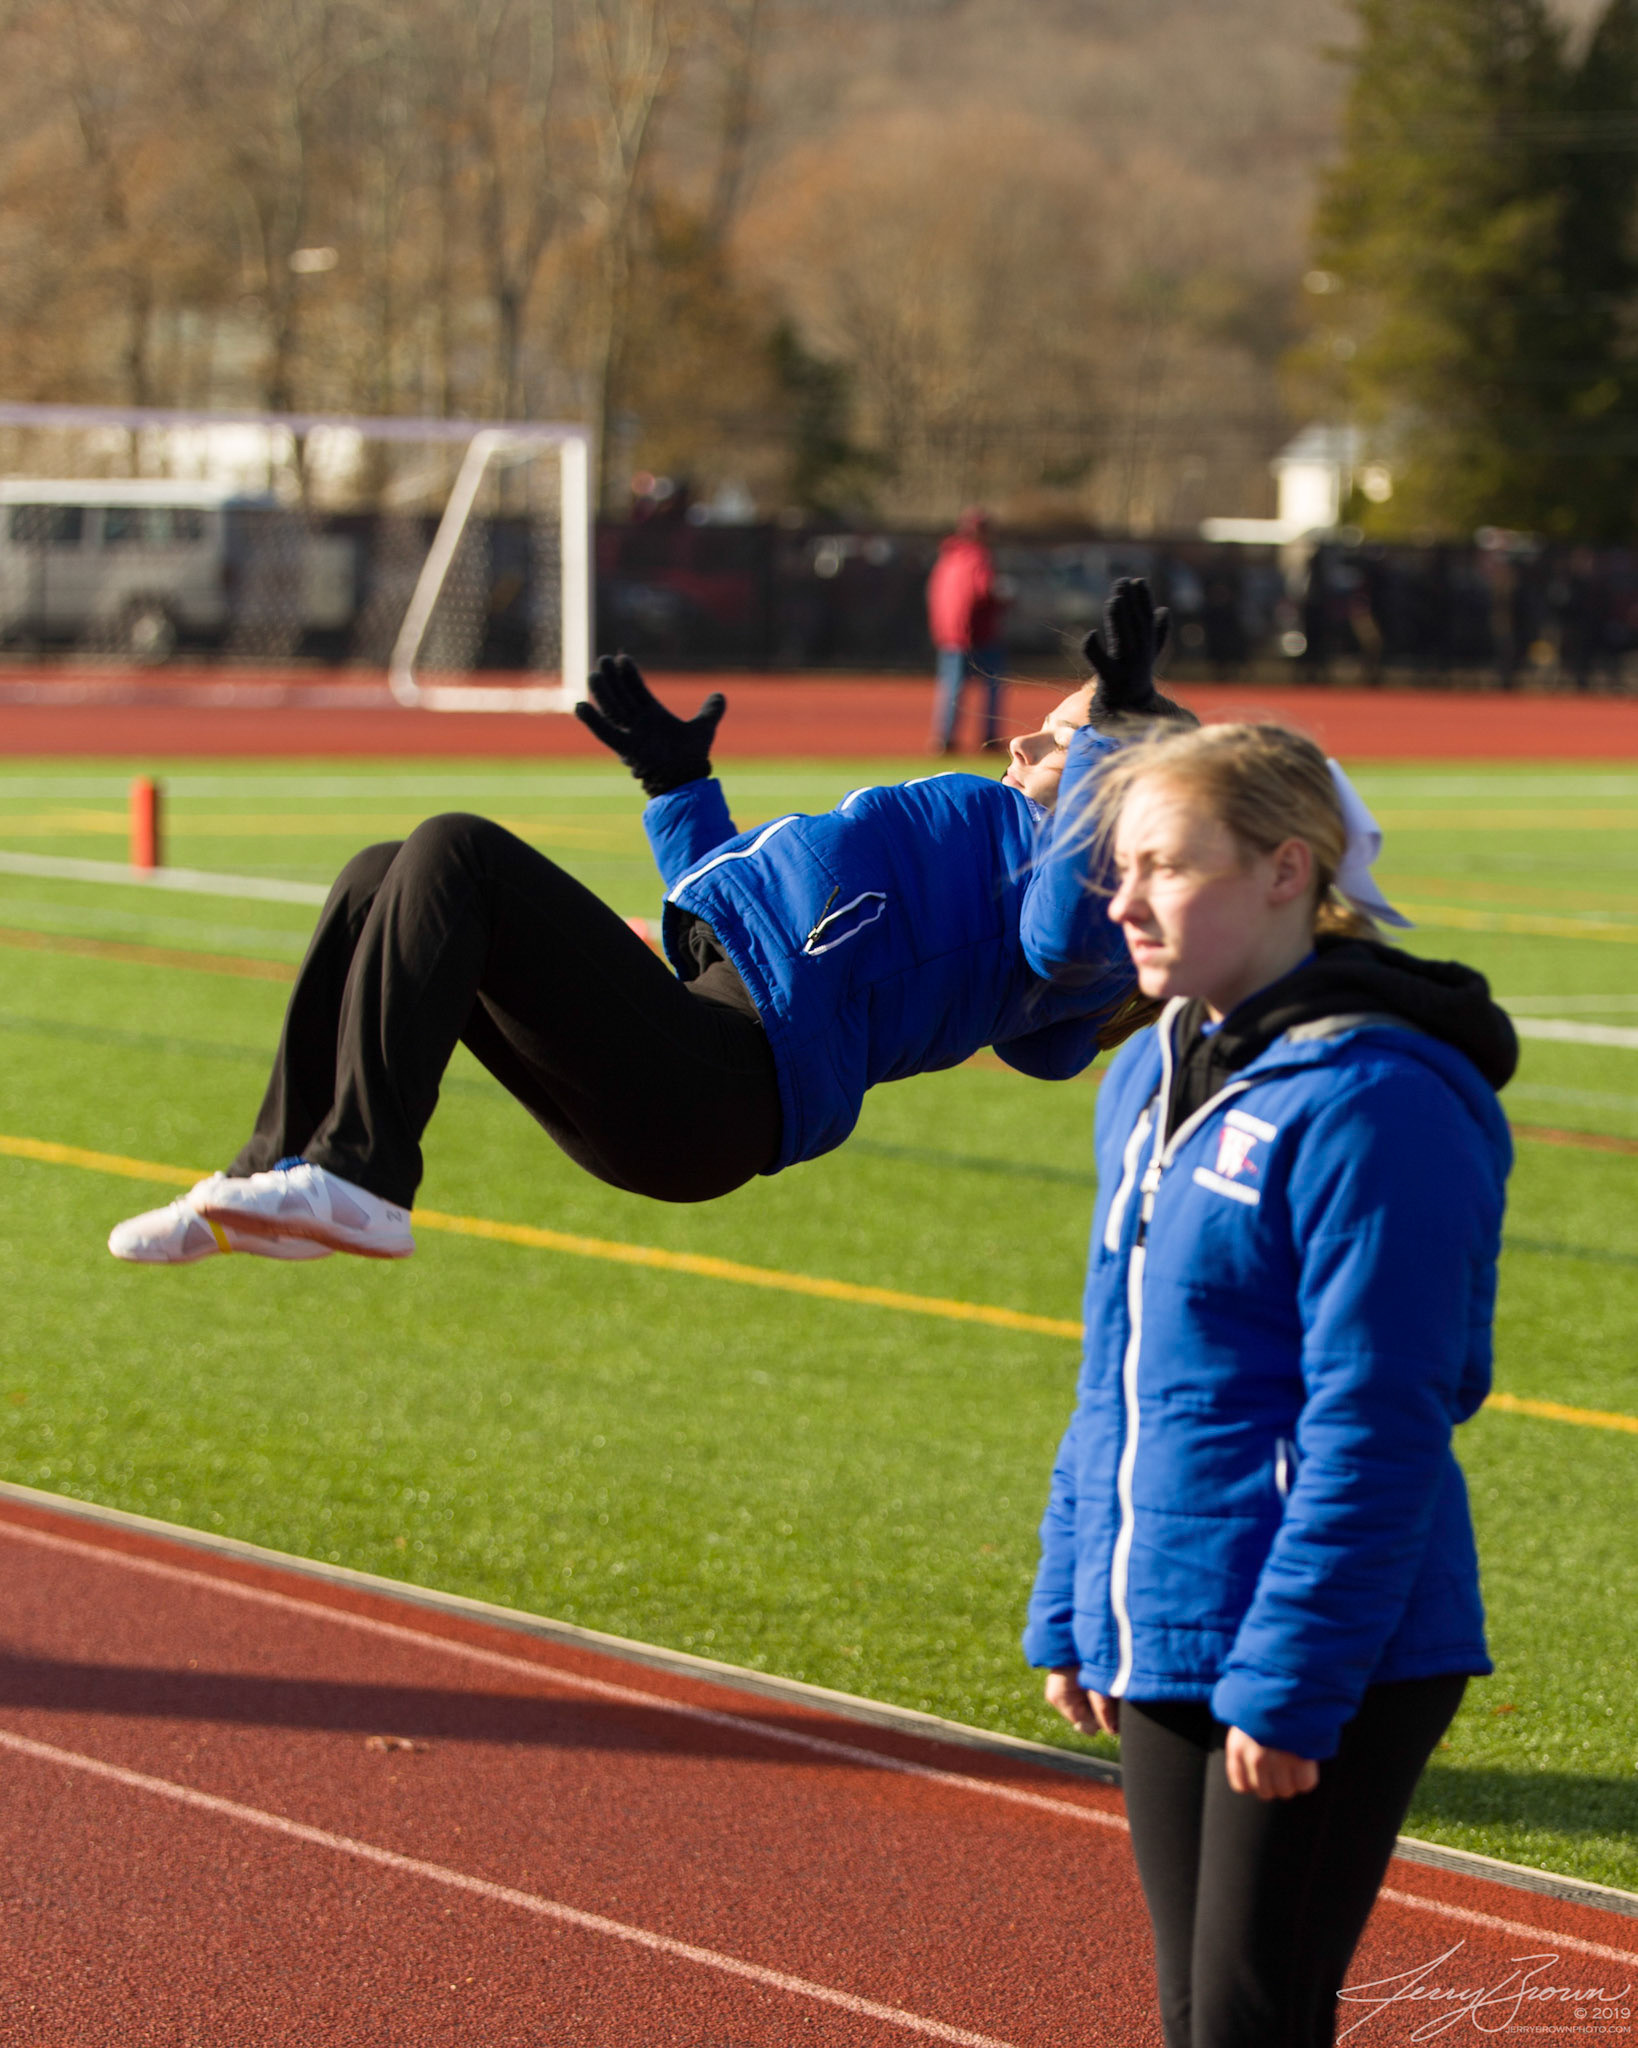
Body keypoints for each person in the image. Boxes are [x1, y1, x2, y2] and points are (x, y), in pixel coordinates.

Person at [107, 582, 1188, 1266]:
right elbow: (746, 918)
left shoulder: (1092, 904)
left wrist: (1108, 746)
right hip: (696, 1041)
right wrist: (679, 790)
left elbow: (1056, 941)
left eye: (1063, 738)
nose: (1022, 745)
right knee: (378, 874)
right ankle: (274, 1169)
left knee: (458, 851)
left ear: (1117, 780)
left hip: (725, 1086)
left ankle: (362, 1175)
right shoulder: (1012, 844)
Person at [1022, 721, 1516, 2048]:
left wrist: (1295, 1675)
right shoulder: (1146, 1070)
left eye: (1167, 867)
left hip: (1330, 1638)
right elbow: (1115, 1361)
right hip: (1170, 1610)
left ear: (1286, 871)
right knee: (1203, 2019)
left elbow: (1380, 1417)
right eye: (1120, 868)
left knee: (1251, 2021)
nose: (1123, 903)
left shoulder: (1377, 1102)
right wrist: (1075, 1589)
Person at [927, 506, 1008, 753]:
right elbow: (985, 590)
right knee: (993, 683)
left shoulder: (948, 556)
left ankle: (945, 739)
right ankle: (989, 739)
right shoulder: (978, 557)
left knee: (952, 687)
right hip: (976, 633)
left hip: (950, 634)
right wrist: (1004, 598)